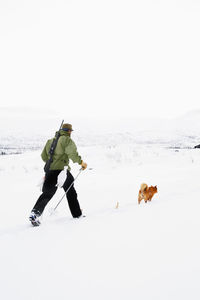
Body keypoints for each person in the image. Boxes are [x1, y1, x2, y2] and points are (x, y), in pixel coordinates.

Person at [29, 123, 87, 226]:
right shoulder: (67, 140)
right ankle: (77, 214)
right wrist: (81, 162)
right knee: (70, 191)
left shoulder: (50, 141)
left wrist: (52, 162)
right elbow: (73, 154)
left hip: (50, 171)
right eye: (70, 131)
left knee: (47, 193)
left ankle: (35, 213)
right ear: (69, 131)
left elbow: (43, 157)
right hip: (62, 171)